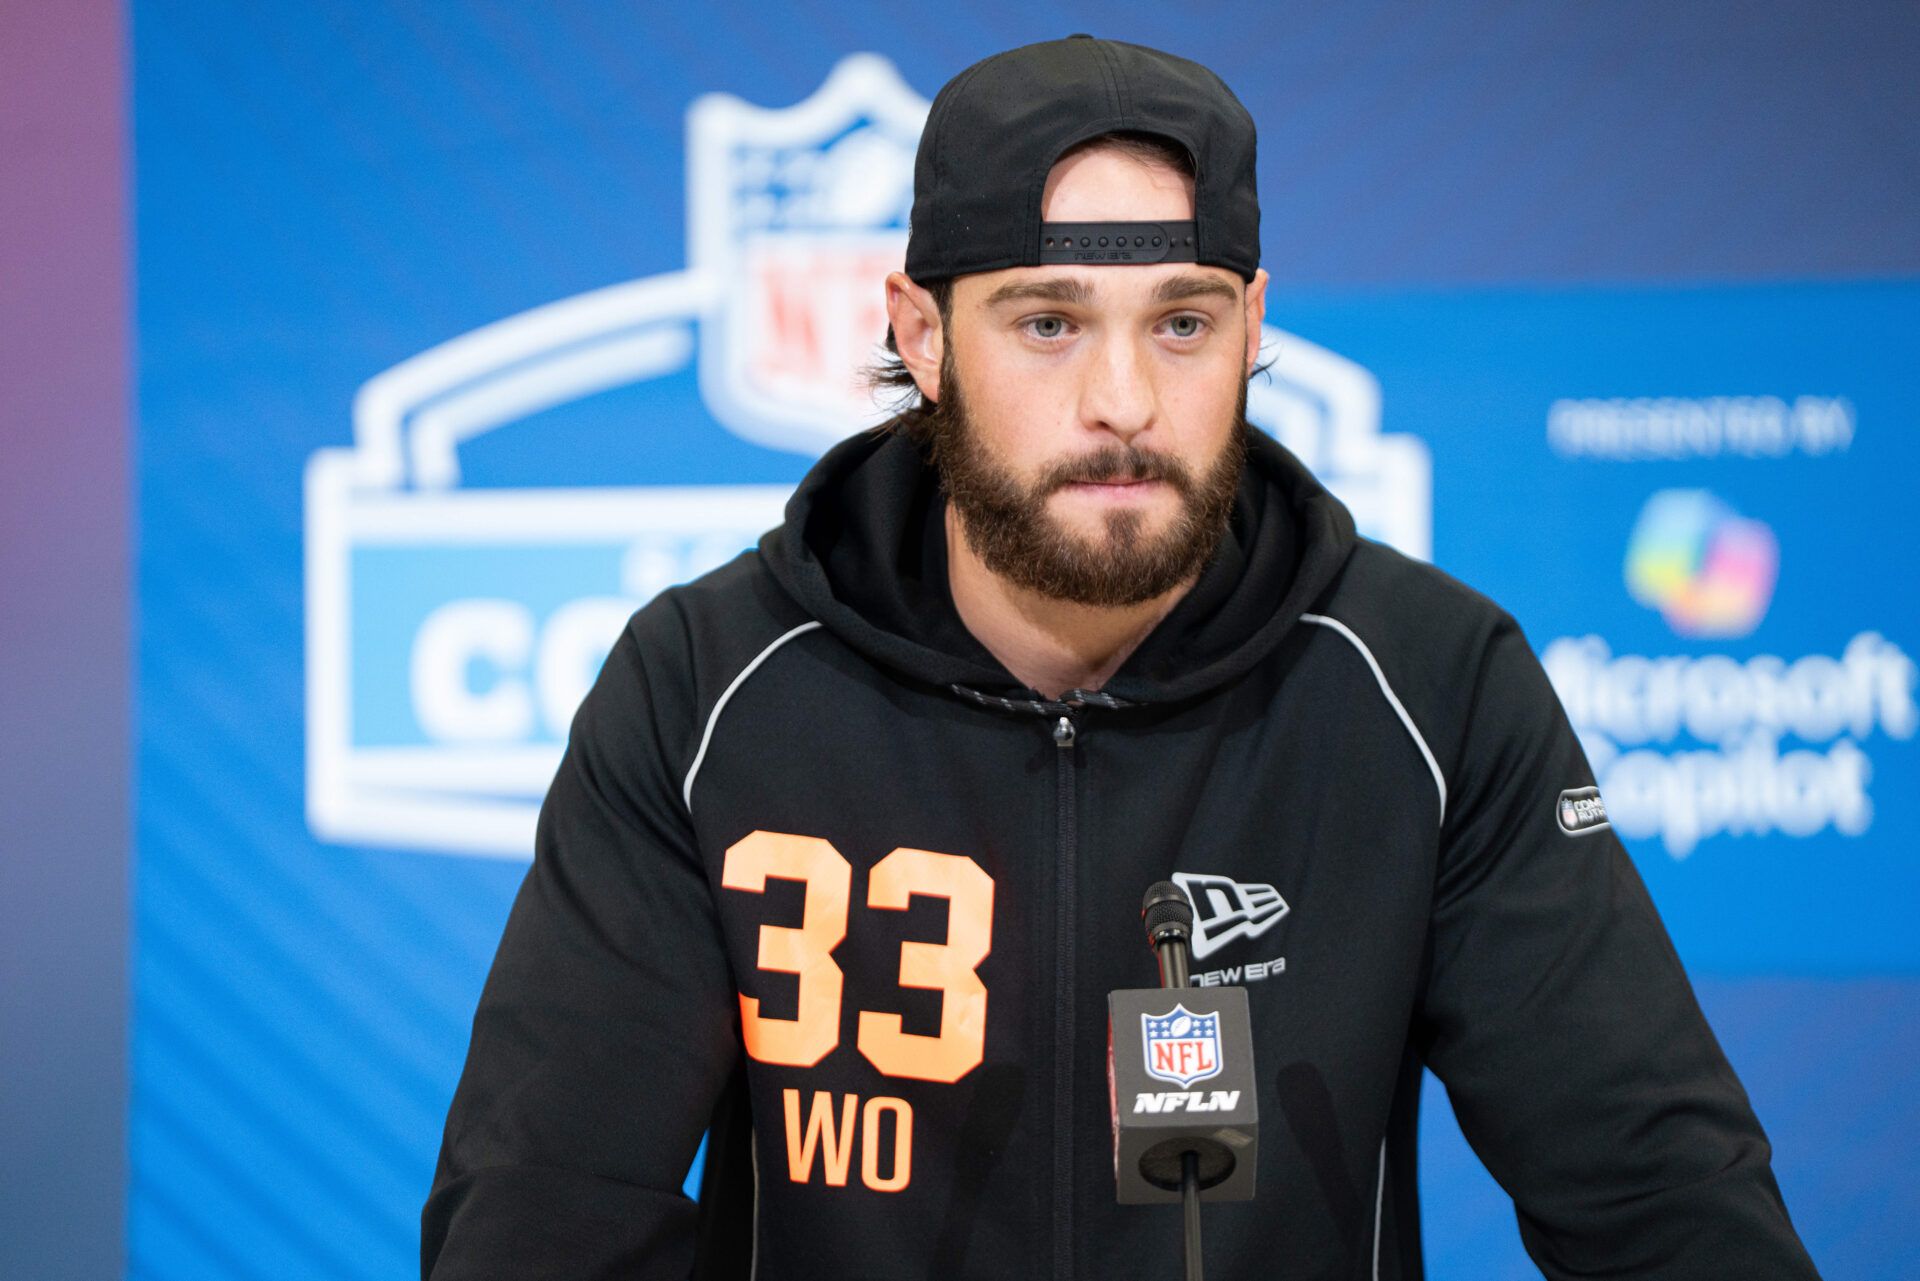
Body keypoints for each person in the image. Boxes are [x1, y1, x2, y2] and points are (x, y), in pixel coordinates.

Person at [422, 35, 1820, 1280]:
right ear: (923, 336)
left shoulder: (1432, 687)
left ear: (1254, 328)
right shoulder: (704, 687)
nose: (1124, 400)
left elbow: (1662, 1199)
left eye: (1182, 323)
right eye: (1049, 323)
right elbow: (540, 1215)